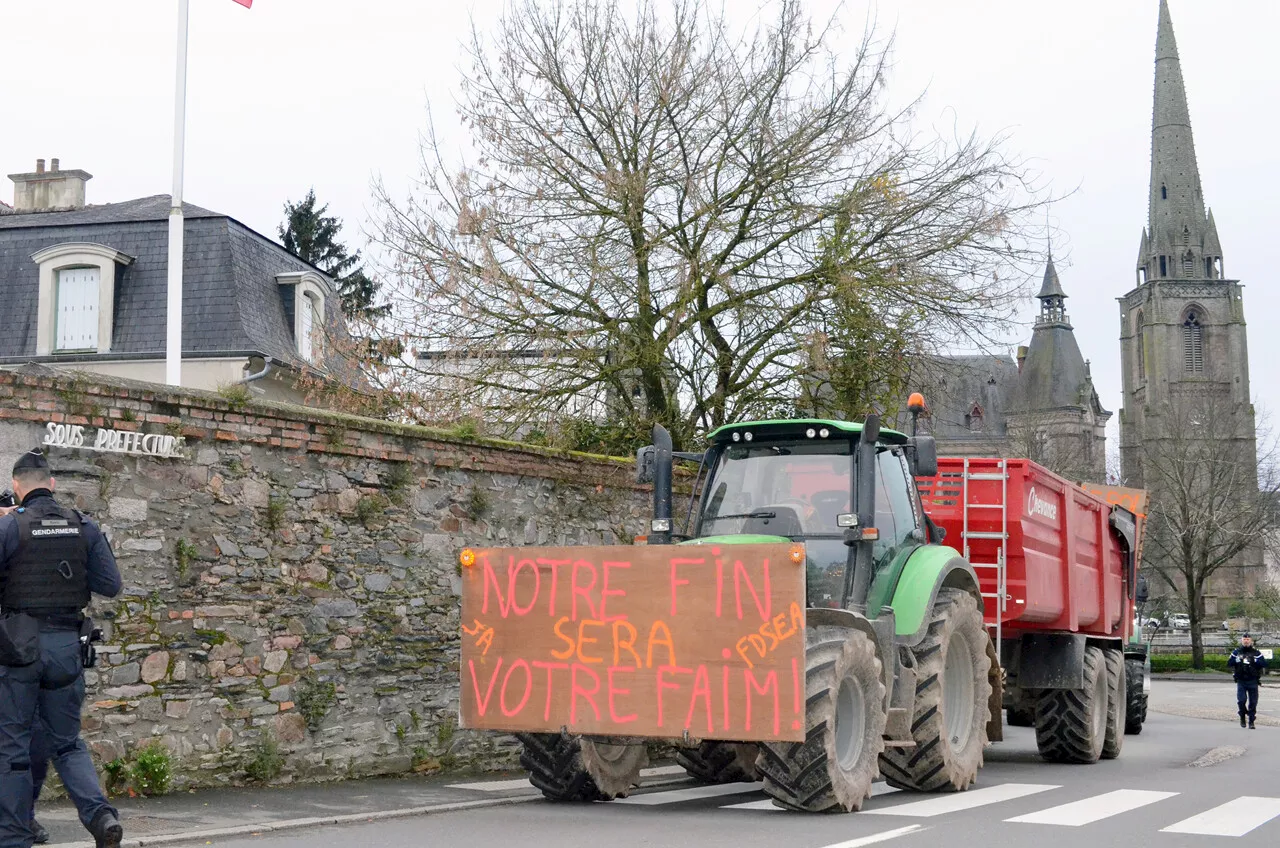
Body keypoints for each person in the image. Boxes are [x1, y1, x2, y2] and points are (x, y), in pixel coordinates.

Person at [0, 449, 123, 848]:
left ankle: (15, 834)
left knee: (14, 743)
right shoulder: (83, 526)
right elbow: (110, 585)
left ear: (17, 488)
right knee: (67, 743)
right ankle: (101, 817)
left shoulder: (11, 528)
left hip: (19, 649)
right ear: (51, 484)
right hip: (67, 645)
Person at [1228, 633, 1268, 729]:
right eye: (1244, 639)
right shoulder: (1236, 652)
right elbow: (1229, 663)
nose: (1246, 641)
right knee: (1241, 701)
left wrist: (1254, 660)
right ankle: (1242, 715)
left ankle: (1251, 721)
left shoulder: (1256, 653)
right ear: (1242, 641)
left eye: (1248, 639)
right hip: (1241, 680)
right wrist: (1237, 660)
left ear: (1251, 641)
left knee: (1253, 702)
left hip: (1253, 680)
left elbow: (1264, 664)